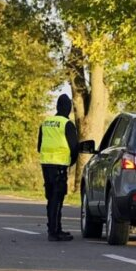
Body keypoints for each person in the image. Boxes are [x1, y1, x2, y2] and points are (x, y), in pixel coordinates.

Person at [37, 94, 78, 242]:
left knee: (50, 197)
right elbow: (74, 148)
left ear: (56, 106)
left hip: (46, 164)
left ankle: (53, 228)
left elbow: (39, 145)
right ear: (68, 108)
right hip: (59, 165)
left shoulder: (46, 123)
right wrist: (71, 162)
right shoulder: (67, 124)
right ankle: (55, 231)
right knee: (58, 197)